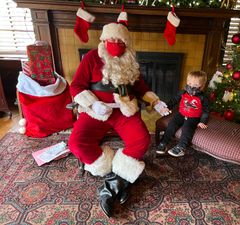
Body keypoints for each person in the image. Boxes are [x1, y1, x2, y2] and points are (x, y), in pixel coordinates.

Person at [68, 19, 167, 217]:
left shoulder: (130, 61)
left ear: (126, 44)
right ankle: (116, 175)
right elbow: (76, 86)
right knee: (77, 143)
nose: (114, 43)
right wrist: (93, 104)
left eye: (119, 40)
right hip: (97, 111)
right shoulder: (91, 58)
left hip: (124, 111)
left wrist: (156, 102)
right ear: (103, 40)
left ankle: (110, 186)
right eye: (110, 39)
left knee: (141, 140)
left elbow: (141, 89)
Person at [156, 71, 209, 157]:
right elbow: (174, 100)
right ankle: (163, 143)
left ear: (202, 86)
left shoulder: (203, 97)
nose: (191, 86)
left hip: (193, 117)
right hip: (181, 113)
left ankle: (181, 147)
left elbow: (206, 111)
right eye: (189, 83)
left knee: (187, 128)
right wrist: (168, 107)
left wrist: (202, 121)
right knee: (172, 124)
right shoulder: (183, 92)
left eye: (195, 85)